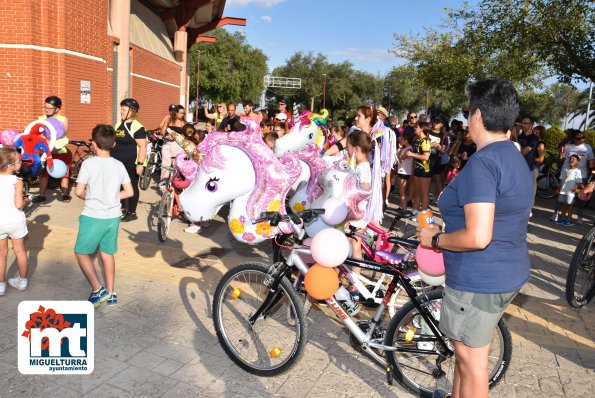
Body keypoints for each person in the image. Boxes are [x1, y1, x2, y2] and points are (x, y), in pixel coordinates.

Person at [417, 79, 532, 398]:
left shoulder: (485, 162)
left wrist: (435, 239)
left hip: (479, 278)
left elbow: (478, 236)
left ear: (478, 116)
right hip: (505, 271)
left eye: (469, 113)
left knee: (471, 362)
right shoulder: (512, 156)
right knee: (466, 358)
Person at [74, 124, 134, 306]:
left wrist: (91, 197)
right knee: (107, 253)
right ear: (113, 144)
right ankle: (111, 292)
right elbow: (129, 192)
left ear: (93, 143)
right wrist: (112, 198)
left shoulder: (88, 163)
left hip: (93, 215)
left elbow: (78, 191)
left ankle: (97, 289)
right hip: (113, 216)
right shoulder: (119, 165)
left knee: (81, 252)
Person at [112, 98, 147, 222]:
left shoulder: (137, 126)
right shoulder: (119, 124)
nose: (121, 111)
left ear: (132, 111)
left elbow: (143, 146)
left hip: (131, 163)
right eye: (121, 109)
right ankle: (121, 209)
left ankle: (132, 212)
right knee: (118, 186)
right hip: (117, 162)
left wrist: (140, 164)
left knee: (131, 186)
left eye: (124, 109)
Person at [32, 96, 72, 203]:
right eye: (46, 107)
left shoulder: (63, 119)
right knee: (44, 172)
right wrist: (47, 143)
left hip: (59, 149)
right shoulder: (41, 118)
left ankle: (64, 194)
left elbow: (63, 134)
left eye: (49, 108)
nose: (47, 110)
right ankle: (42, 195)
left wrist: (53, 144)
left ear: (57, 109)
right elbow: (38, 134)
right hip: (46, 149)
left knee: (64, 172)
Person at [0, 148, 28, 295]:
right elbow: (19, 204)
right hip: (16, 221)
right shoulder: (17, 181)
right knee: (20, 251)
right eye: (19, 161)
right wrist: (26, 199)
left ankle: (1, 286)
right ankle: (22, 282)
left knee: (1, 254)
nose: (21, 163)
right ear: (11, 165)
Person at [551, 130, 594, 224]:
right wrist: (561, 153)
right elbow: (561, 158)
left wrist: (591, 169)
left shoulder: (587, 147)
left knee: (579, 197)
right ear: (573, 139)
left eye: (583, 137)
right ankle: (556, 214)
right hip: (567, 174)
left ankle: (579, 217)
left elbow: (591, 160)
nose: (581, 140)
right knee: (562, 194)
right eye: (579, 138)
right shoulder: (568, 146)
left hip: (581, 175)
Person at [406, 121, 432, 211]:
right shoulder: (417, 140)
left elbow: (426, 157)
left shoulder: (425, 141)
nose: (415, 128)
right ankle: (415, 211)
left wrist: (411, 154)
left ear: (421, 129)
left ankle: (424, 213)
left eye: (416, 127)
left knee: (424, 193)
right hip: (417, 169)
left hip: (425, 171)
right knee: (416, 192)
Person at [518, 116, 540, 213]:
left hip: (530, 167)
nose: (522, 125)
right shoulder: (520, 137)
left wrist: (517, 149)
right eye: (522, 123)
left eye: (525, 123)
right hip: (519, 167)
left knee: (530, 190)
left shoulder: (534, 138)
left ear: (530, 125)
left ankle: (528, 210)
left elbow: (524, 151)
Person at [555, 154, 582, 227]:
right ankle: (562, 218)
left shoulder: (578, 171)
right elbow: (561, 180)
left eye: (573, 159)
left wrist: (583, 187)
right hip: (563, 191)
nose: (571, 160)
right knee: (563, 205)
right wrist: (558, 189)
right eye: (570, 158)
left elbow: (579, 182)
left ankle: (568, 219)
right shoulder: (565, 170)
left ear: (577, 162)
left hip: (571, 192)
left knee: (570, 205)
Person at [160, 105, 186, 181]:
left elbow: (185, 136)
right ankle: (163, 184)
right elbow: (162, 132)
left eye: (183, 113)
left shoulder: (183, 122)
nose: (182, 115)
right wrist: (166, 129)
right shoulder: (169, 120)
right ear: (176, 112)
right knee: (165, 165)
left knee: (176, 165)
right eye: (181, 113)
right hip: (167, 144)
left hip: (177, 146)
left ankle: (175, 184)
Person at [396, 132, 414, 210]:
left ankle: (404, 208)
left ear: (406, 140)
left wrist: (400, 152)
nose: (401, 141)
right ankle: (403, 206)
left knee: (402, 191)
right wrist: (400, 149)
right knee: (402, 190)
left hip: (404, 171)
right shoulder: (405, 148)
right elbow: (398, 156)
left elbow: (400, 158)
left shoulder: (409, 149)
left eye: (402, 139)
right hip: (402, 170)